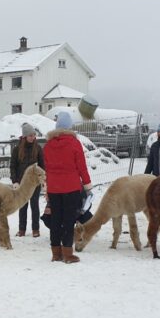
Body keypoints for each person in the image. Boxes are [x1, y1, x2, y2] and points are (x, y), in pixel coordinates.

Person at [43, 111, 91, 263]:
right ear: (70, 127)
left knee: (56, 220)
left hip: (54, 188)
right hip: (71, 188)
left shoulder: (48, 145)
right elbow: (81, 167)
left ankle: (56, 253)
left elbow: (47, 169)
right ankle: (68, 254)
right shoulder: (74, 143)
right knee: (69, 221)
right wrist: (87, 184)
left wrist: (47, 188)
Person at [10, 123, 45, 237]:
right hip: (22, 183)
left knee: (35, 206)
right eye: (30, 135)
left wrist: (42, 180)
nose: (32, 137)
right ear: (25, 136)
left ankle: (36, 229)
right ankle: (22, 229)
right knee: (23, 206)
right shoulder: (17, 149)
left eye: (34, 135)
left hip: (34, 184)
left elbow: (42, 166)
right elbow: (13, 166)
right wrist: (15, 181)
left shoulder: (38, 148)